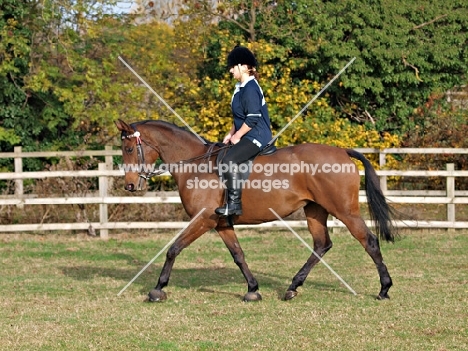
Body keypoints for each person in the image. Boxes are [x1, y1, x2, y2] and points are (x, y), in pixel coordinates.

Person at [215, 46, 273, 217]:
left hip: (257, 134)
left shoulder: (250, 88)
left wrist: (238, 135)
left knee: (229, 160)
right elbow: (240, 116)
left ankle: (234, 204)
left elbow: (253, 118)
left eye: (233, 67)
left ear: (243, 67)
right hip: (246, 132)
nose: (231, 70)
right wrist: (231, 133)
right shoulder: (240, 87)